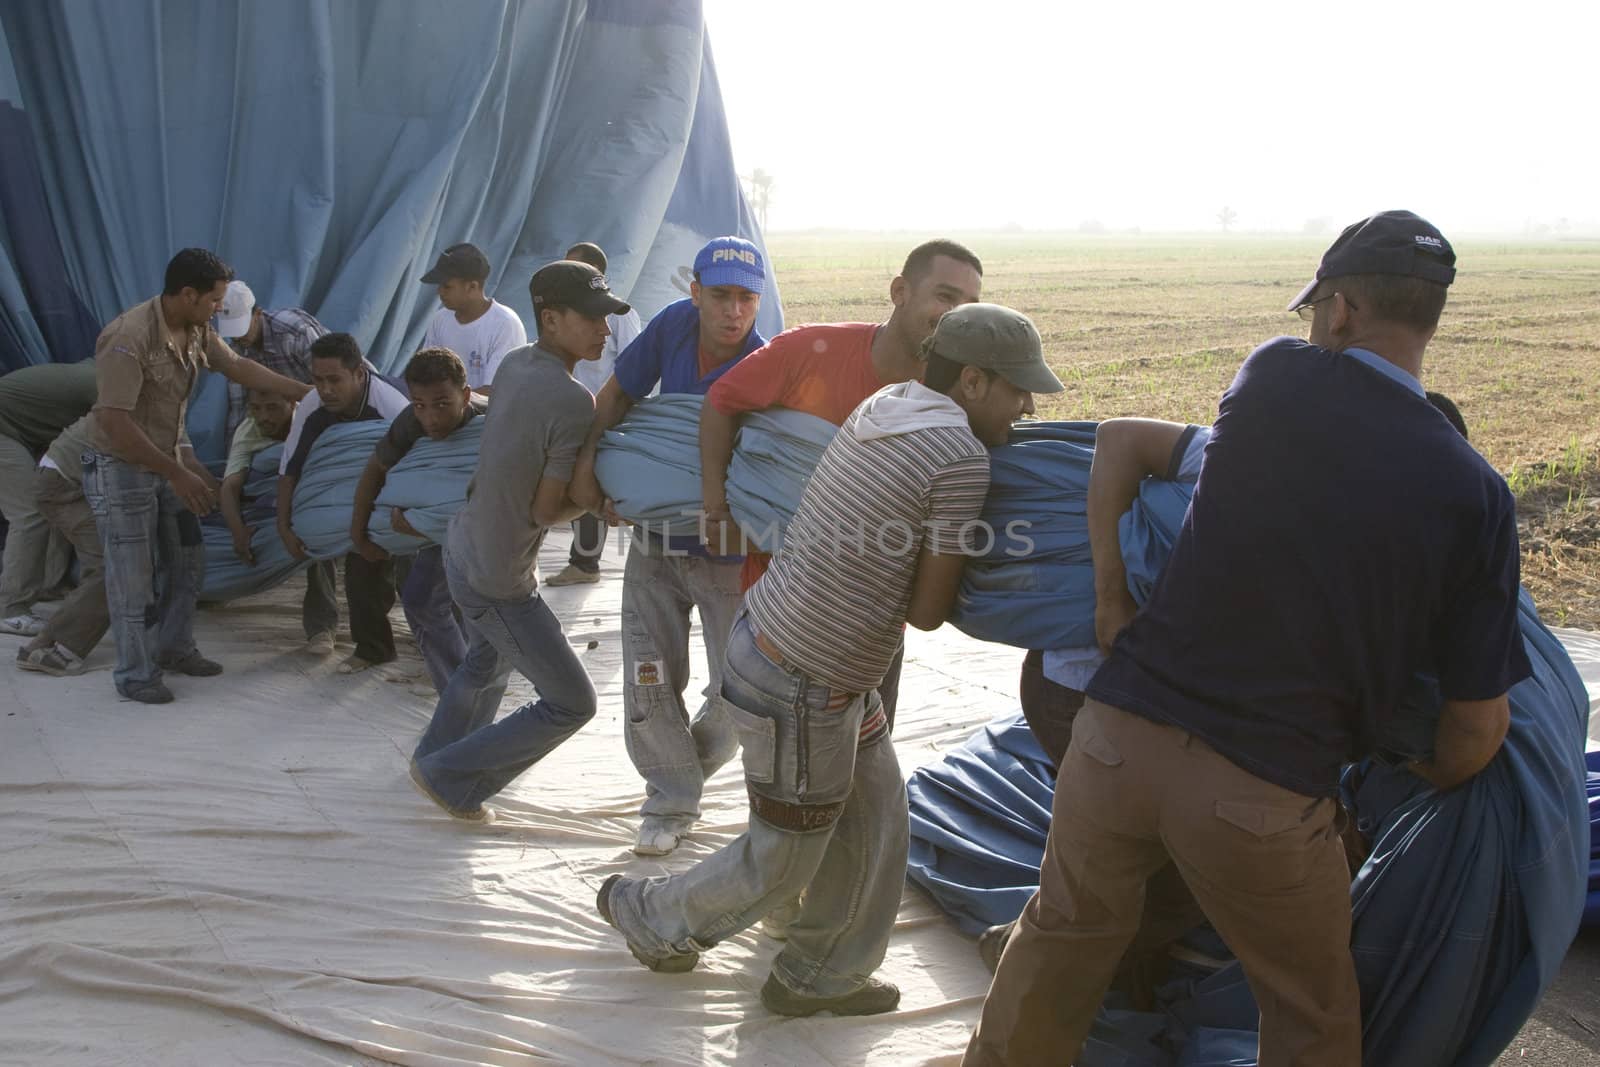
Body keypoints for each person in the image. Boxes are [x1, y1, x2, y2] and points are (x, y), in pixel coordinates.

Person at [964, 211, 1529, 1066]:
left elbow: (1150, 455)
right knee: (1310, 1010)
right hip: (1262, 794)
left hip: (1114, 741)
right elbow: (1477, 730)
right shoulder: (1477, 496)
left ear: (1339, 310)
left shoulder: (1271, 375)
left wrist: (1115, 601)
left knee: (1060, 938)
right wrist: (1408, 774)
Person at [598, 303, 1063, 1019]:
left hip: (799, 651)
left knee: (878, 822)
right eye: (1018, 389)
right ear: (971, 381)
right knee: (783, 856)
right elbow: (929, 611)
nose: (1028, 406)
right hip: (804, 679)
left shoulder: (890, 402)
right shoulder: (961, 458)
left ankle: (821, 971)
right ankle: (650, 913)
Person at [699, 237, 986, 729]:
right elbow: (721, 403)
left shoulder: (958, 392)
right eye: (944, 296)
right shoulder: (810, 351)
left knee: (866, 754)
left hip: (877, 625)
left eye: (968, 306)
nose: (954, 314)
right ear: (899, 291)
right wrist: (716, 510)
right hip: (783, 612)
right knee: (783, 769)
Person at [569, 235, 769, 857]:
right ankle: (669, 800)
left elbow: (766, 462)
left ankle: (685, 771)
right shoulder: (674, 327)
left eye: (745, 298)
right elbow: (622, 396)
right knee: (650, 675)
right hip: (655, 543)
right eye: (720, 296)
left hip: (726, 557)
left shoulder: (762, 365)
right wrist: (591, 467)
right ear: (695, 293)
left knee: (737, 693)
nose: (733, 311)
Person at [408, 260, 627, 821]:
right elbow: (548, 509)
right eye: (593, 319)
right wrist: (601, 503)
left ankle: (432, 758)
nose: (605, 330)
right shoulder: (571, 399)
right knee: (572, 701)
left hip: (463, 546)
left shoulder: (514, 363)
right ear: (550, 319)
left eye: (608, 319)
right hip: (497, 579)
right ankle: (448, 776)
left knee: (486, 662)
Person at [84, 248, 310, 705]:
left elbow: (238, 367)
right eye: (213, 301)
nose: (218, 311)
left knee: (188, 559)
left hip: (168, 460)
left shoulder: (195, 328)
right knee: (134, 576)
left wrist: (306, 393)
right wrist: (178, 472)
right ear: (188, 294)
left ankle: (175, 648)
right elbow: (116, 424)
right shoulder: (129, 338)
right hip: (123, 467)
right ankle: (135, 674)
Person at [349, 346, 486, 695]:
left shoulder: (491, 423)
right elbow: (374, 471)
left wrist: (425, 523)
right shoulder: (411, 422)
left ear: (467, 396)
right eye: (420, 404)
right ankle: (457, 696)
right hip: (430, 531)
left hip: (483, 535)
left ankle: (471, 694)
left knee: (479, 607)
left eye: (443, 404)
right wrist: (360, 535)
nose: (431, 418)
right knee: (421, 600)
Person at [276, 332, 411, 674]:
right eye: (317, 380)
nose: (325, 390)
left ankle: (449, 644)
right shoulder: (312, 407)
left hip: (401, 493)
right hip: (351, 500)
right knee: (360, 564)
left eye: (334, 380)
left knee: (420, 581)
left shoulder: (393, 406)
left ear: (359, 374)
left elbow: (419, 461)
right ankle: (373, 649)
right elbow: (290, 468)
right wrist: (284, 526)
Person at [546, 240, 643, 587]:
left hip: (601, 413)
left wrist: (615, 414)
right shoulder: (565, 317)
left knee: (588, 480)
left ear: (597, 274)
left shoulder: (620, 316)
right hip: (573, 411)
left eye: (576, 268)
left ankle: (585, 564)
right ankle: (584, 561)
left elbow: (633, 366)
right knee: (575, 480)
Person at [216, 387, 339, 653]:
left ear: (293, 405)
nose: (263, 417)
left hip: (310, 501)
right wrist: (239, 533)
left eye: (272, 408)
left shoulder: (312, 424)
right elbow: (230, 487)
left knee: (317, 535)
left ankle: (321, 627)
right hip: (266, 508)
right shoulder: (249, 430)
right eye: (256, 409)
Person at [0, 360, 98, 637]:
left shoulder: (96, 373)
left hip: (16, 432)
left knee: (53, 502)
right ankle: (10, 609)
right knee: (29, 513)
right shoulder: (100, 382)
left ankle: (48, 584)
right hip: (4, 432)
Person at [214, 279, 326, 442]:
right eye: (233, 331)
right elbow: (239, 409)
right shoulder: (236, 349)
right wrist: (235, 450)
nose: (238, 337)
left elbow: (329, 384)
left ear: (258, 313)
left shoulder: (295, 333)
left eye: (241, 328)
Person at [418, 242, 527, 393]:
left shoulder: (505, 324)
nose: (440, 292)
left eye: (447, 286)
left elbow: (495, 392)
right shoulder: (440, 319)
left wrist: (445, 405)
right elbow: (425, 374)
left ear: (472, 286)